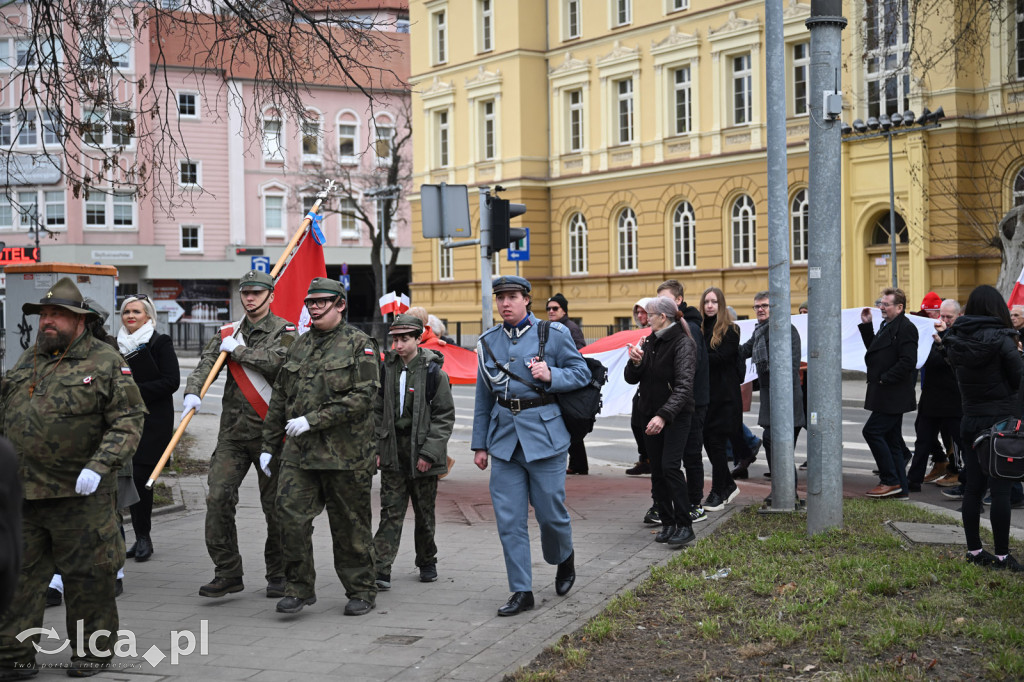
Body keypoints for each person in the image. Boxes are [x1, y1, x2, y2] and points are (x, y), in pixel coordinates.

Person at [0, 278, 145, 678]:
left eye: (56, 315)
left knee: (88, 582)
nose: (47, 321)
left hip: (80, 497)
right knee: (18, 581)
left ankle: (92, 654)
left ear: (79, 320)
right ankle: (13, 656)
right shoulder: (30, 358)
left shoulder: (105, 361)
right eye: (44, 314)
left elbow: (129, 420)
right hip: (25, 497)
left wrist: (98, 466)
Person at [260, 278, 381, 616]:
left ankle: (361, 589)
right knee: (289, 517)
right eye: (310, 301)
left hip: (346, 456)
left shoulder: (360, 345)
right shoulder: (298, 346)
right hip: (300, 455)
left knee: (350, 527)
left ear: (340, 304)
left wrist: (314, 420)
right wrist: (269, 444)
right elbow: (281, 397)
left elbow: (364, 396)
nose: (313, 307)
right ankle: (298, 587)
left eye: (322, 301)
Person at [471, 276, 590, 617]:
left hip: (545, 436)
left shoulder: (552, 334)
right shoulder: (488, 341)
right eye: (500, 298)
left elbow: (581, 373)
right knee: (509, 520)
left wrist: (551, 374)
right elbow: (483, 398)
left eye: (512, 297)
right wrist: (479, 444)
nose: (505, 304)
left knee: (551, 512)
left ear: (527, 299)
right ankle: (521, 590)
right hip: (504, 440)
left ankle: (563, 556)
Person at [185, 269, 297, 599]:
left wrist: (239, 351)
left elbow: (280, 362)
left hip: (270, 434)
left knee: (275, 508)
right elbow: (206, 364)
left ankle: (278, 573)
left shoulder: (286, 331)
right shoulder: (228, 332)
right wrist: (193, 391)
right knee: (217, 498)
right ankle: (228, 571)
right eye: (245, 293)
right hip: (233, 433)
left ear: (270, 296)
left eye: (257, 293)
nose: (249, 298)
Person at [940, 285, 1024, 571]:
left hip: (970, 420)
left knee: (973, 488)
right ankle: (1002, 556)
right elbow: (1017, 380)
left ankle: (974, 551)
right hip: (1001, 424)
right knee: (1001, 489)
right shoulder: (1004, 339)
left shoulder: (954, 339)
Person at [372, 313, 455, 591]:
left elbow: (444, 416)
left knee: (424, 511)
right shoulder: (386, 369)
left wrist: (429, 454)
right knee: (390, 511)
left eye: (404, 339)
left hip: (422, 451)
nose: (398, 345)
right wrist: (378, 448)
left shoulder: (433, 372)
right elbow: (377, 410)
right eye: (394, 339)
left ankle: (427, 560)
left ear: (418, 339)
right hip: (394, 450)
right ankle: (380, 567)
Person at [624, 296, 698, 548]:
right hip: (649, 413)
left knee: (670, 467)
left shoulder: (682, 343)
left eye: (649, 314)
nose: (645, 318)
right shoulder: (650, 340)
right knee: (657, 470)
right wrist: (634, 362)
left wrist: (663, 415)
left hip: (675, 416)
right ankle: (667, 522)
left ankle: (684, 525)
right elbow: (632, 379)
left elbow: (684, 387)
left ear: (662, 317)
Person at [118, 295, 180, 565]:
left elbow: (171, 381)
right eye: (126, 312)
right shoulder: (115, 345)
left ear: (148, 315)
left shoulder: (158, 342)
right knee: (128, 477)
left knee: (143, 477)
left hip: (154, 421)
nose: (130, 316)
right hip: (124, 420)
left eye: (136, 312)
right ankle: (136, 536)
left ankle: (144, 537)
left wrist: (132, 391)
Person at [655, 279, 710, 523]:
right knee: (671, 459)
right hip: (674, 403)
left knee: (690, 454)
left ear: (678, 300)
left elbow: (689, 369)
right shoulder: (666, 327)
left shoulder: (690, 329)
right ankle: (670, 507)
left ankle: (695, 503)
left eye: (664, 300)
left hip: (691, 402)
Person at [735, 291, 804, 479]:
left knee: (778, 445)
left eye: (764, 306)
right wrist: (724, 340)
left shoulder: (786, 330)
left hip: (785, 398)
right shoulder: (760, 331)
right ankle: (780, 487)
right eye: (757, 306)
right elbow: (743, 351)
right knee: (772, 442)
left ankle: (788, 493)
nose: (760, 309)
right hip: (771, 398)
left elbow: (790, 367)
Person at [858, 287, 919, 499]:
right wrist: (867, 326)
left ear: (899, 307)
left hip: (894, 394)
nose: (881, 308)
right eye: (880, 303)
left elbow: (908, 361)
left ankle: (890, 480)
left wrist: (886, 377)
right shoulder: (887, 324)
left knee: (872, 432)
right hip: (884, 393)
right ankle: (901, 488)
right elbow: (875, 350)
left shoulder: (906, 328)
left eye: (886, 304)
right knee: (892, 440)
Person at [907, 299, 962, 492]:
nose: (945, 320)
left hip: (953, 396)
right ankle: (913, 479)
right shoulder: (932, 332)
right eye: (943, 316)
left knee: (958, 440)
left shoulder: (960, 334)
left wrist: (942, 339)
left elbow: (953, 360)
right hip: (931, 394)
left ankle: (961, 475)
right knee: (923, 438)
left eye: (949, 317)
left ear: (958, 316)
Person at [698, 287, 740, 511]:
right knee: (710, 444)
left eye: (714, 302)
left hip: (725, 397)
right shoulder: (699, 329)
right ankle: (729, 485)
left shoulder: (731, 330)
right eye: (707, 302)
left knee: (716, 444)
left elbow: (721, 358)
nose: (710, 306)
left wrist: (697, 356)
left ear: (721, 304)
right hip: (706, 396)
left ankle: (717, 490)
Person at [546, 293, 590, 475]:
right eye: (548, 308)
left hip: (567, 383)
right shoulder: (551, 327)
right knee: (567, 423)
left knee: (570, 423)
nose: (551, 311)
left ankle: (578, 464)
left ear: (564, 310)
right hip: (558, 380)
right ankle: (578, 463)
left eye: (555, 308)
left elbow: (580, 352)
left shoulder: (570, 328)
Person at [626, 297, 654, 480]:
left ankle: (650, 460)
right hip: (642, 385)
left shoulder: (656, 333)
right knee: (636, 422)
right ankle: (645, 458)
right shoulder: (640, 334)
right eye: (638, 312)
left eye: (643, 311)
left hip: (653, 387)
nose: (640, 315)